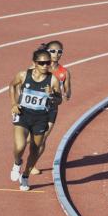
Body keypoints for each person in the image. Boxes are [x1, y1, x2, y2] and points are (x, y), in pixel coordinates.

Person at [9, 49, 62, 191]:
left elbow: (59, 100)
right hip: (23, 114)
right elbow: (12, 85)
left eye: (48, 63)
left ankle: (25, 176)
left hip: (40, 118)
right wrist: (14, 104)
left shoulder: (53, 80)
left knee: (35, 149)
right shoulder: (23, 75)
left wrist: (51, 95)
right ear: (34, 63)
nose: (45, 65)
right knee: (20, 146)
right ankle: (17, 163)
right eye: (42, 63)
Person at [29, 40, 72, 175]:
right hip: (33, 106)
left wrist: (64, 94)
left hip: (50, 109)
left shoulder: (64, 72)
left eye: (60, 52)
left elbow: (68, 92)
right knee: (29, 139)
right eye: (53, 51)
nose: (56, 54)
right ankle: (20, 161)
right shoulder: (38, 67)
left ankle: (32, 165)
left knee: (42, 138)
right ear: (47, 52)